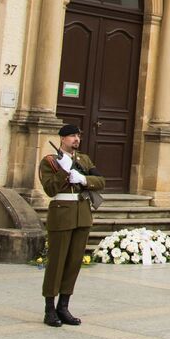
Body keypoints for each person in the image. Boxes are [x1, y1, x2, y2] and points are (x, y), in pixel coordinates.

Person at [38, 124, 104, 327]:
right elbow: (50, 189)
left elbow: (100, 181)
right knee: (57, 262)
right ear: (62, 139)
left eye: (78, 135)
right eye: (72, 136)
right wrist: (63, 171)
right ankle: (50, 308)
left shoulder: (84, 160)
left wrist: (83, 178)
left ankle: (63, 306)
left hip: (82, 214)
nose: (76, 139)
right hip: (62, 213)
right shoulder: (50, 161)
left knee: (74, 261)